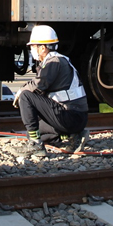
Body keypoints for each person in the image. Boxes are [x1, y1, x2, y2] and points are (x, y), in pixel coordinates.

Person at [13, 25, 90, 157]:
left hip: (70, 116)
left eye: (33, 46)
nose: (31, 50)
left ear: (42, 47)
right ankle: (73, 136)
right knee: (33, 132)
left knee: (26, 96)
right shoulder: (59, 60)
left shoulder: (53, 62)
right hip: (76, 118)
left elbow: (38, 86)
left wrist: (21, 91)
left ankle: (36, 145)